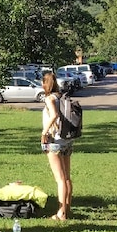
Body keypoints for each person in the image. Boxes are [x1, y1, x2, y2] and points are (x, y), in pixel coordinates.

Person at [41, 72, 73, 220]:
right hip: (67, 140)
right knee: (66, 177)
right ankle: (67, 207)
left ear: (44, 84)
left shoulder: (49, 98)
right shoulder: (62, 97)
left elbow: (54, 115)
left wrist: (44, 132)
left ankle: (61, 213)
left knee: (60, 179)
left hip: (54, 140)